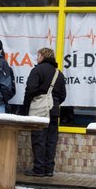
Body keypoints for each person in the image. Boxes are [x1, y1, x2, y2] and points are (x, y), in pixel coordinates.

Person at [22, 47, 67, 177]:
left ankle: (39, 169)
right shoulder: (59, 74)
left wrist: (26, 107)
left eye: (38, 56)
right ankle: (49, 169)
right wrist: (55, 103)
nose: (37, 58)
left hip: (40, 110)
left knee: (38, 139)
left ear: (43, 56)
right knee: (51, 140)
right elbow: (63, 95)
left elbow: (30, 89)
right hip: (54, 111)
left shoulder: (37, 70)